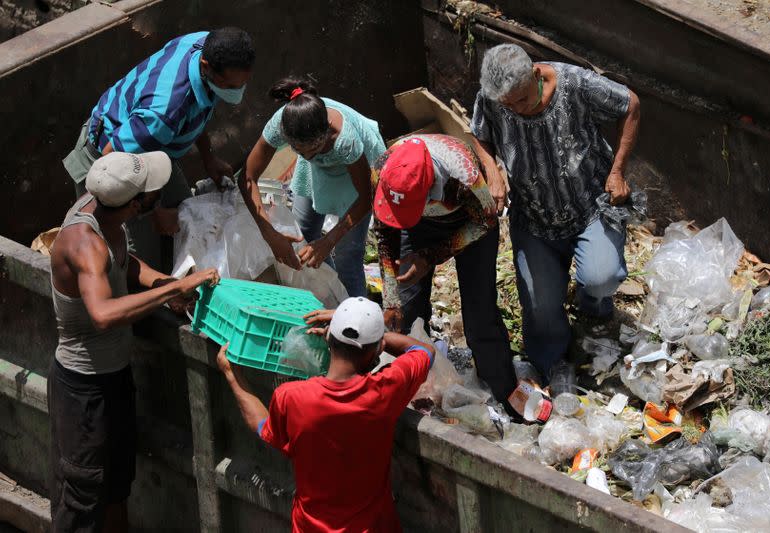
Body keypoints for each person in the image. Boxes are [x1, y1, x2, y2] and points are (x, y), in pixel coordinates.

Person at [48, 151, 220, 532]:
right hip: (84, 391)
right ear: (133, 205)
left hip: (115, 377)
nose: (156, 197)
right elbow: (104, 314)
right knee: (82, 496)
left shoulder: (106, 209)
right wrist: (172, 290)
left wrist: (165, 283)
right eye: (150, 194)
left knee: (115, 488)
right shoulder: (84, 243)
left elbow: (124, 263)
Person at [471, 43, 640, 395]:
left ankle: (592, 304)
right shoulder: (493, 97)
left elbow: (631, 104)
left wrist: (619, 170)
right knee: (540, 305)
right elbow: (480, 133)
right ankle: (553, 359)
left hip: (588, 208)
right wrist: (492, 169)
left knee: (601, 276)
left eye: (521, 101)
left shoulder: (575, 84)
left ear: (536, 74)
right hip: (534, 219)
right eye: (508, 105)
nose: (516, 110)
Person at [218, 297, 433, 532]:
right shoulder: (385, 390)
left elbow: (262, 426)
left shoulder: (291, 397)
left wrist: (232, 375)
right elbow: (424, 350)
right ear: (378, 349)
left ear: (329, 337)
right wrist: (377, 338)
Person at [63, 27, 255, 269]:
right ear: (205, 66)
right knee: (137, 262)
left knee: (190, 221)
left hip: (153, 151)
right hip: (115, 166)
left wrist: (209, 159)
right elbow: (110, 162)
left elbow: (198, 108)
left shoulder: (205, 44)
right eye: (229, 86)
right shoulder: (163, 114)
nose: (237, 91)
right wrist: (153, 212)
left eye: (243, 84)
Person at [372, 134, 518, 416]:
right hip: (417, 226)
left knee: (480, 315)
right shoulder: (382, 170)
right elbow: (384, 230)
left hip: (470, 224)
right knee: (404, 312)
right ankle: (411, 397)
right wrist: (389, 298)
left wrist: (430, 257)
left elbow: (486, 221)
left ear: (430, 187)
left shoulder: (463, 176)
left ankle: (502, 398)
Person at [239, 77, 386, 296]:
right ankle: (330, 296)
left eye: (313, 148)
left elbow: (365, 198)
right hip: (318, 166)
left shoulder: (345, 139)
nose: (306, 155)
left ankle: (356, 320)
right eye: (299, 150)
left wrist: (329, 240)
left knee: (348, 256)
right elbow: (248, 178)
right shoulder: (282, 125)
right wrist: (270, 233)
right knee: (304, 234)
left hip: (357, 168)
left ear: (327, 131)